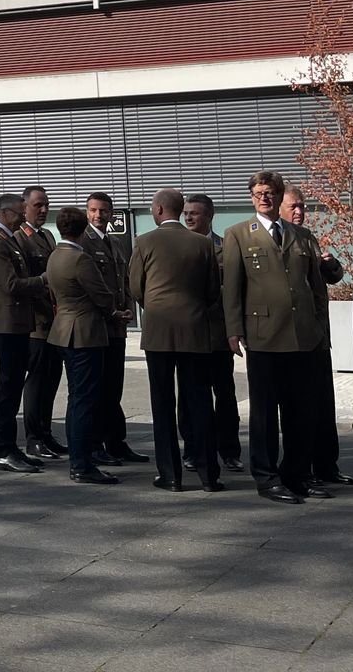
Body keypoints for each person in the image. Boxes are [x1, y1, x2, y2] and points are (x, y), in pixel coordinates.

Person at [222, 171, 329, 504]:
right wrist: (233, 330)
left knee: (301, 411)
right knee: (265, 413)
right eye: (257, 193)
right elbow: (232, 289)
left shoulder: (302, 236)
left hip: (303, 337)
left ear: (280, 195)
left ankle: (296, 474)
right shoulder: (238, 234)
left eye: (269, 193)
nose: (263, 198)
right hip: (264, 336)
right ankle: (267, 478)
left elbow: (317, 287)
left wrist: (321, 328)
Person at [127, 189, 224, 492]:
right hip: (195, 329)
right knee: (200, 402)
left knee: (163, 403)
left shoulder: (144, 242)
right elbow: (212, 290)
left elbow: (135, 287)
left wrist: (155, 307)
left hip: (158, 332)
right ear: (181, 211)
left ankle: (170, 475)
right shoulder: (202, 244)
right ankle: (209, 475)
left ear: (157, 210)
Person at [282, 186, 353, 488]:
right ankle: (303, 467)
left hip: (318, 335)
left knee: (324, 403)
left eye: (303, 206)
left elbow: (333, 276)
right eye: (294, 206)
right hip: (292, 337)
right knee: (301, 407)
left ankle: (328, 465)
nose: (300, 212)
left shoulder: (308, 238)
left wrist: (330, 263)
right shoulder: (280, 240)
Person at [46, 206, 119, 485]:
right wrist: (114, 312)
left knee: (77, 399)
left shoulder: (55, 256)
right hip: (84, 333)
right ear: (81, 228)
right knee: (85, 400)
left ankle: (80, 460)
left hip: (63, 330)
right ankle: (82, 463)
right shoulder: (80, 259)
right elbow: (102, 295)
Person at [0, 193, 47, 476]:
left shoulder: (8, 239)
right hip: (6, 323)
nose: (22, 217)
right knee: (7, 388)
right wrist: (45, 280)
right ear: (5, 213)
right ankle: (3, 449)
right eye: (19, 212)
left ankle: (11, 446)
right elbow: (10, 285)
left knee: (14, 385)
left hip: (17, 321)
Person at [83, 192, 145, 466]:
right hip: (99, 326)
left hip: (118, 325)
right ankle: (95, 445)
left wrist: (129, 307)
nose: (98, 216)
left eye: (104, 211)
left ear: (111, 213)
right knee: (98, 389)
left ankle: (116, 442)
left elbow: (125, 280)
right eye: (94, 210)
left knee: (114, 388)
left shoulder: (116, 242)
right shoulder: (83, 242)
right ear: (87, 212)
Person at [182, 194, 243, 471]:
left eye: (195, 213)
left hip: (218, 334)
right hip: (188, 335)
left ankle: (229, 450)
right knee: (189, 395)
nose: (189, 218)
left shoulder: (225, 247)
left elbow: (234, 288)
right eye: (186, 213)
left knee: (225, 394)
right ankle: (193, 449)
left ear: (209, 216)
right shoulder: (179, 246)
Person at [19, 187, 65, 459]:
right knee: (36, 382)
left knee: (51, 380)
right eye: (38, 205)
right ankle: (34, 437)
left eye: (46, 205)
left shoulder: (47, 236)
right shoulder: (20, 238)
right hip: (36, 323)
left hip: (54, 321)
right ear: (24, 207)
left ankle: (46, 434)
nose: (44, 210)